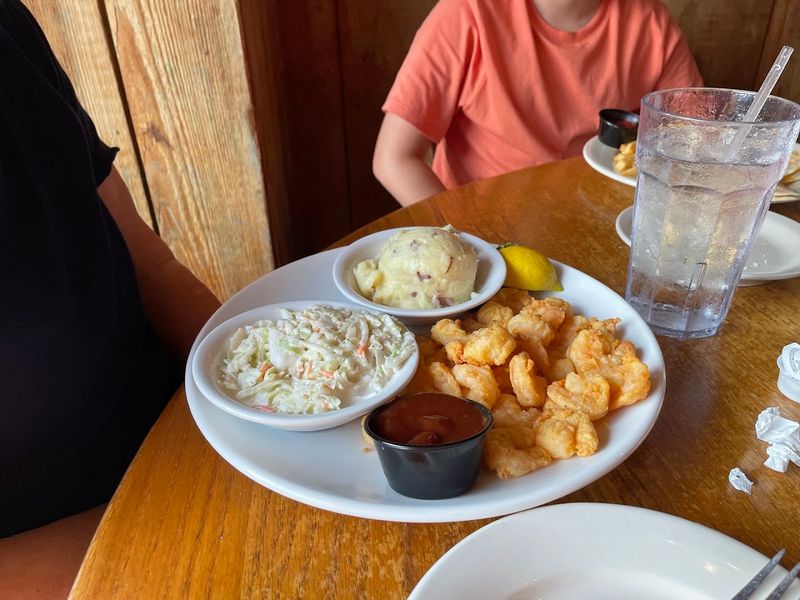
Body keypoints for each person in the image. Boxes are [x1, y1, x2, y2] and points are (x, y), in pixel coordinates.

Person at [0, 1, 221, 597]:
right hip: (92, 560)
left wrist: (265, 411)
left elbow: (153, 267)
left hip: (191, 444)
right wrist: (192, 521)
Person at [373, 0, 703, 206]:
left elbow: (697, 144)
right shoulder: (467, 12)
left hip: (598, 220)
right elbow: (394, 159)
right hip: (484, 229)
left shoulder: (651, 22)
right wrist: (464, 239)